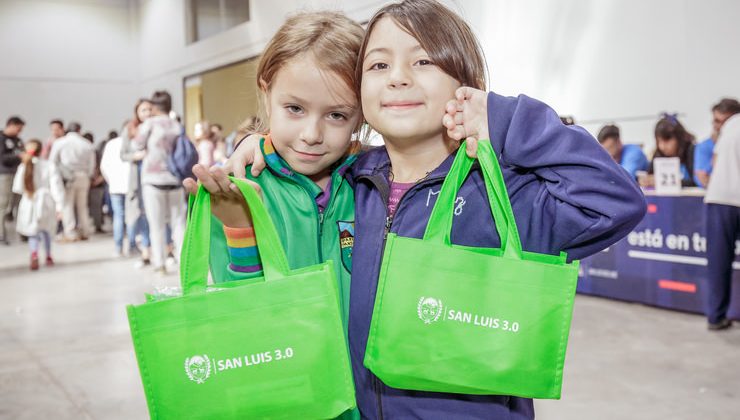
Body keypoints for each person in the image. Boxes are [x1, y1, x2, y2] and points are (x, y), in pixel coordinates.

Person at [223, 1, 645, 418]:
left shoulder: (502, 196)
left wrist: (504, 117)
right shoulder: (352, 182)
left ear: (469, 83)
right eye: (379, 65)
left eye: (423, 61)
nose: (398, 79)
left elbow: (613, 200)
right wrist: (261, 143)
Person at [183, 11, 365, 420]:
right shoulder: (237, 186)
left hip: (365, 398)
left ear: (362, 114)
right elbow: (240, 306)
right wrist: (240, 226)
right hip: (285, 394)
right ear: (266, 92)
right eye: (295, 108)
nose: (312, 134)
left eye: (337, 115)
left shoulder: (372, 180)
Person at [130, 90, 186, 276]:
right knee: (179, 223)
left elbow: (137, 145)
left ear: (153, 106)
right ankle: (184, 262)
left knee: (157, 224)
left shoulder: (149, 124)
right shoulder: (177, 125)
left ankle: (160, 264)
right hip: (175, 179)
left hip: (153, 180)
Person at [703, 113, 740, 330]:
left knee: (718, 262)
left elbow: (715, 162)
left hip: (719, 198)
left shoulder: (730, 126)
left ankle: (716, 317)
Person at [12, 139, 63, 269]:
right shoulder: (49, 165)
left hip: (29, 200)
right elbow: (56, 186)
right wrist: (59, 205)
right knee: (46, 230)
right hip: (46, 200)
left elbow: (17, 187)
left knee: (33, 231)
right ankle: (48, 255)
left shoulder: (23, 166)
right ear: (42, 151)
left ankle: (34, 253)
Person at [49, 122, 96, 241]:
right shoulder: (87, 144)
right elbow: (92, 164)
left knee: (67, 205)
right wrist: (89, 175)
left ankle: (70, 232)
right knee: (83, 206)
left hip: (67, 177)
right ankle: (85, 231)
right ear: (79, 130)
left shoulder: (60, 142)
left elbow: (52, 161)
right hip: (83, 176)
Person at [121, 99, 153, 266]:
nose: (147, 113)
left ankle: (168, 250)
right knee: (143, 213)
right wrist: (136, 156)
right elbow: (123, 154)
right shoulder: (130, 129)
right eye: (143, 110)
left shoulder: (158, 126)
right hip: (139, 175)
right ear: (137, 113)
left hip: (158, 175)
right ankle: (146, 250)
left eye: (149, 109)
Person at [101, 124, 135, 256]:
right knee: (132, 216)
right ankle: (132, 246)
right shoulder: (133, 144)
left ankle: (118, 248)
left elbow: (104, 166)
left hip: (115, 186)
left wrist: (111, 181)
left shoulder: (111, 144)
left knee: (118, 216)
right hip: (131, 186)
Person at [694, 98, 740, 188]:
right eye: (717, 121)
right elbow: (702, 179)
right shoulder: (704, 147)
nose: (720, 127)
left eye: (726, 122)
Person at [643, 113, 697, 188]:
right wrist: (647, 180)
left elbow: (695, 181)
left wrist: (663, 182)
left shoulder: (691, 150)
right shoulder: (658, 153)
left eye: (667, 140)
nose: (662, 146)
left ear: (679, 138)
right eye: (659, 141)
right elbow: (649, 175)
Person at [0, 116, 26, 244]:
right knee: (3, 205)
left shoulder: (18, 140)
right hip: (5, 175)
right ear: (11, 125)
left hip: (18, 175)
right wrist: (18, 156)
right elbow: (3, 158)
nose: (19, 132)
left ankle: (22, 232)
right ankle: (1, 234)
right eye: (18, 128)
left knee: (19, 205)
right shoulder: (1, 139)